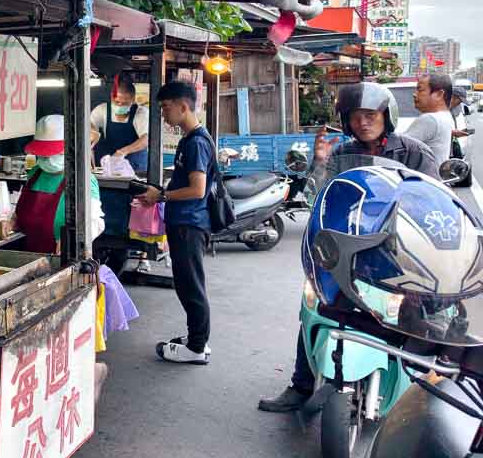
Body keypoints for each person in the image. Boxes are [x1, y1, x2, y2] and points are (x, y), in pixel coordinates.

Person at [258, 81, 437, 413]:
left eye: (370, 115)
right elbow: (318, 199)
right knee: (318, 308)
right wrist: (320, 161)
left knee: (422, 314)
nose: (363, 123)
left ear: (386, 115)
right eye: (355, 117)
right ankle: (302, 384)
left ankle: (424, 389)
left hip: (399, 254)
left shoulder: (413, 152)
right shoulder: (342, 153)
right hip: (349, 251)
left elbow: (433, 201)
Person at [137, 79, 214, 364]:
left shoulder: (196, 142)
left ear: (184, 106)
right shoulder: (191, 139)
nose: (163, 114)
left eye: (166, 108)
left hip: (189, 224)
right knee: (189, 284)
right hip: (186, 223)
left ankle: (196, 347)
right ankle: (197, 338)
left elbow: (198, 189)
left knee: (190, 285)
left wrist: (162, 195)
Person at [13, 114, 104, 253]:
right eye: (43, 155)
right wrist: (11, 223)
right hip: (29, 253)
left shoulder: (82, 179)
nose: (48, 159)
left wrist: (75, 239)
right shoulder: (36, 173)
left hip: (63, 256)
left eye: (54, 154)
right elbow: (21, 215)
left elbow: (95, 222)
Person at [90, 70, 148, 172]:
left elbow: (146, 139)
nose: (120, 105)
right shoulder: (101, 110)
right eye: (117, 102)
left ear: (133, 100)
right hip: (108, 168)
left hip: (135, 168)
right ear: (111, 97)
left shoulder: (141, 113)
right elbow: (89, 126)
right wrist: (92, 134)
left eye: (125, 103)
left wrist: (123, 151)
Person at [404, 72, 455, 165]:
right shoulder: (446, 115)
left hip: (422, 178)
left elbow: (398, 149)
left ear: (439, 94)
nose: (414, 94)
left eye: (420, 90)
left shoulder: (430, 119)